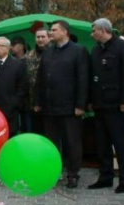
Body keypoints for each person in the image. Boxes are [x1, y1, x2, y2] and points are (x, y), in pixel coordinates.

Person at [35, 20, 89, 188]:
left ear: (64, 32)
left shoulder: (78, 51)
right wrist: (38, 101)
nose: (51, 33)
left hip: (70, 107)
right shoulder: (48, 52)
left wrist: (81, 105)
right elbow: (40, 79)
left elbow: (83, 79)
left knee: (72, 142)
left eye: (54, 30)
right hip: (50, 107)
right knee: (51, 142)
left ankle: (73, 174)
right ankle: (53, 172)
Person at [88, 18, 124, 194]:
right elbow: (91, 77)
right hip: (100, 104)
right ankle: (105, 176)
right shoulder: (95, 51)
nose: (92, 34)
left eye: (94, 31)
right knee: (102, 143)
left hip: (116, 104)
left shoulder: (122, 48)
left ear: (103, 30)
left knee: (120, 143)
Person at [24, 28, 51, 134]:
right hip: (31, 105)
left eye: (43, 37)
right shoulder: (29, 56)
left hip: (50, 105)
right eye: (38, 37)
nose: (40, 39)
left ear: (49, 38)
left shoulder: (55, 54)